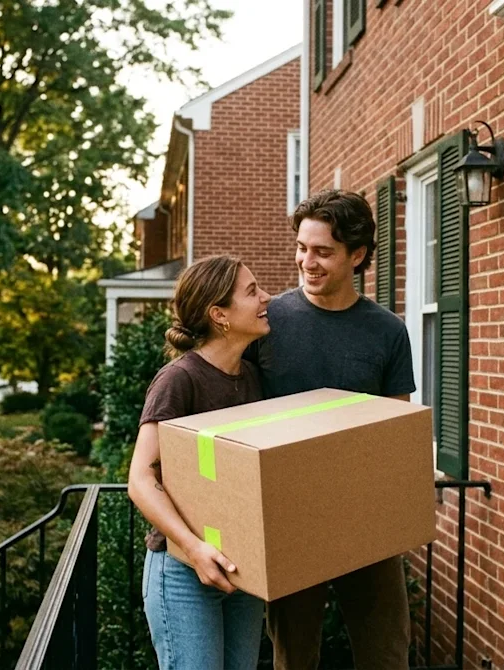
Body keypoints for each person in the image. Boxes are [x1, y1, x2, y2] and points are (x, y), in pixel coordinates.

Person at [249, 189, 417, 670]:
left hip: (365, 514)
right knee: (293, 659)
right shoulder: (268, 321)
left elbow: (394, 430)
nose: (308, 261)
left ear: (357, 255)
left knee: (386, 654)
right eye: (302, 248)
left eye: (322, 251)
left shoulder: (387, 331)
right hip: (286, 515)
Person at [127, 255, 273, 670]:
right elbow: (140, 478)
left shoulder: (252, 378)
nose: (266, 298)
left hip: (240, 570)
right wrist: (194, 550)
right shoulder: (179, 380)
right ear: (219, 315)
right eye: (251, 292)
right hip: (182, 572)